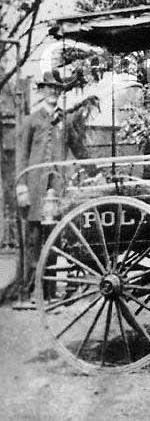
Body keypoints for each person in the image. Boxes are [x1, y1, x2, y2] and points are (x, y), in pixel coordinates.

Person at [14, 70, 95, 308]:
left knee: (55, 242)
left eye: (58, 89)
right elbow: (21, 156)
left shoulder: (65, 121)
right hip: (34, 190)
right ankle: (31, 294)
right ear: (42, 91)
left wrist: (96, 172)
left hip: (56, 191)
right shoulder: (31, 121)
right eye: (50, 89)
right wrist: (21, 187)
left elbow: (79, 150)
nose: (54, 93)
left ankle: (49, 294)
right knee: (34, 242)